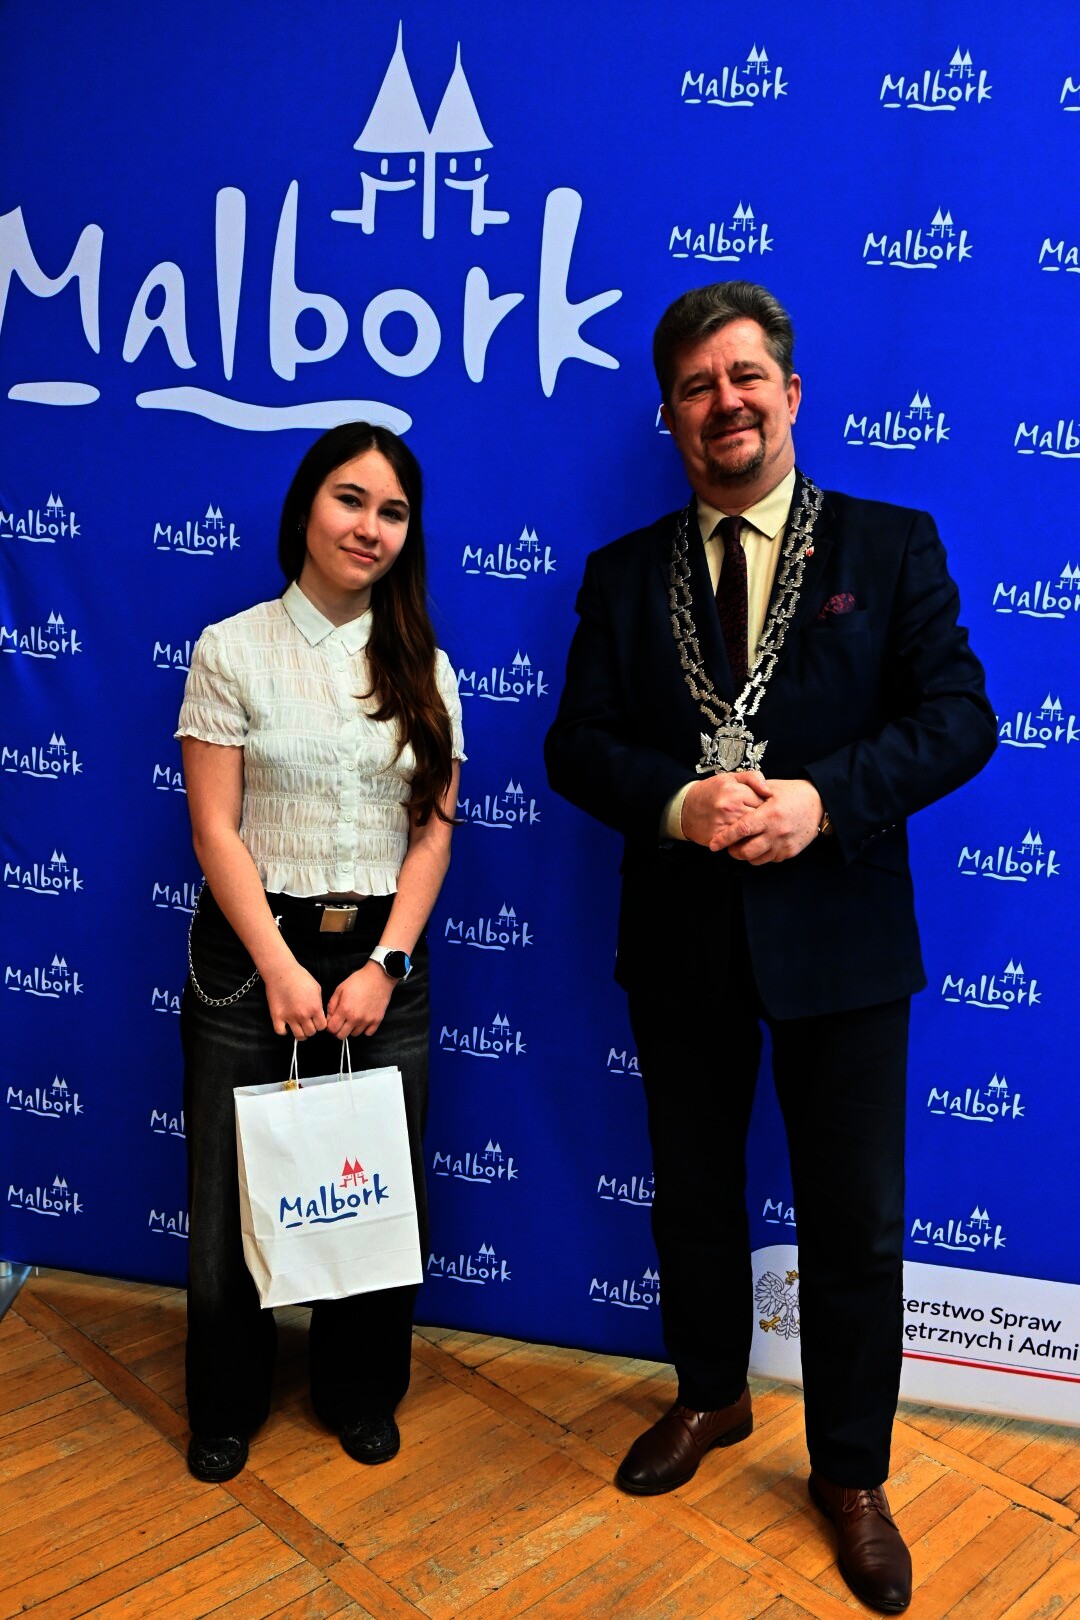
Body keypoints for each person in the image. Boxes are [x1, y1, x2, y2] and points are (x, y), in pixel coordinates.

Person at [544, 282, 996, 1614]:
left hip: (843, 940)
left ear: (790, 395)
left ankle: (850, 1470)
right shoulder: (622, 574)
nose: (724, 403)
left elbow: (961, 719)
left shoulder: (890, 544)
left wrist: (824, 800)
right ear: (671, 416)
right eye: (696, 386)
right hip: (681, 935)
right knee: (693, 1195)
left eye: (745, 377)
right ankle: (711, 1396)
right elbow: (576, 746)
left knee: (853, 1221)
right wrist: (678, 804)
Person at [176, 422, 464, 1484]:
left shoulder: (424, 665)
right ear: (306, 507)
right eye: (351, 500)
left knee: (372, 1184)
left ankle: (360, 1390)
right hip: (252, 956)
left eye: (393, 512)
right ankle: (226, 1402)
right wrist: (282, 967)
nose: (370, 527)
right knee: (229, 1196)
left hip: (383, 957)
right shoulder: (231, 647)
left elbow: (433, 834)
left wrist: (386, 963)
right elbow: (216, 831)